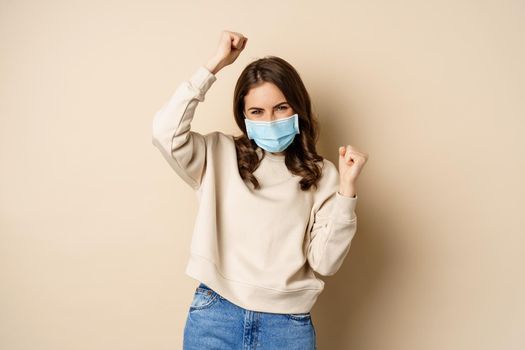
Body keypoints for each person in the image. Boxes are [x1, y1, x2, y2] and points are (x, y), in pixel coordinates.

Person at [152, 30, 369, 350]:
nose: (270, 120)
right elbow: (165, 132)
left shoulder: (322, 174)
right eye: (257, 112)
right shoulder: (216, 153)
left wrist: (347, 192)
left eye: (281, 108)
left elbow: (325, 262)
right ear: (243, 115)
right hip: (216, 315)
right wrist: (213, 67)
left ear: (298, 109)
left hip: (287, 326)